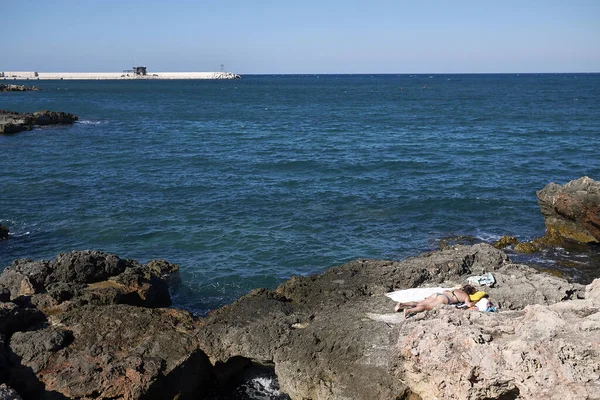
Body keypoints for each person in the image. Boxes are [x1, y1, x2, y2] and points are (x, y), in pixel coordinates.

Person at [394, 285, 477, 318]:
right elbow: (469, 305)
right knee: (426, 307)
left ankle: (402, 304)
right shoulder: (466, 296)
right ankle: (408, 310)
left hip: (437, 294)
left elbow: (447, 291)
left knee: (420, 303)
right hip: (444, 299)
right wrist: (475, 301)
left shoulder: (456, 289)